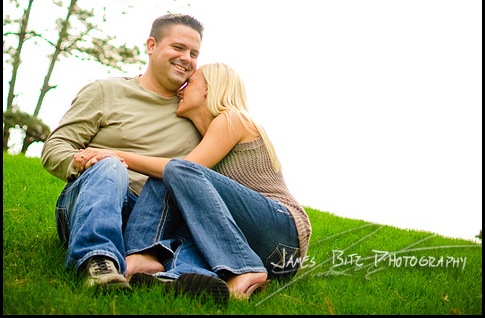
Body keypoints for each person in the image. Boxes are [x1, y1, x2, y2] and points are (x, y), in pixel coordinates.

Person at [75, 62, 313, 300]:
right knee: (173, 181)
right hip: (264, 248)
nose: (181, 89)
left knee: (174, 169)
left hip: (283, 234)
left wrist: (117, 154)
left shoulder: (232, 119)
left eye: (189, 84)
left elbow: (182, 169)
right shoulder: (208, 141)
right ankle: (176, 277)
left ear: (208, 89)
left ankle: (244, 269)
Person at [41, 13, 230, 301]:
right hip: (92, 203)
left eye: (194, 53)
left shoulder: (192, 111)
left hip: (151, 223)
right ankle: (98, 261)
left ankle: (169, 278)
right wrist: (80, 162)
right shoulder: (106, 92)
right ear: (151, 45)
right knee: (111, 166)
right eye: (178, 48)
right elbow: (55, 147)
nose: (187, 59)